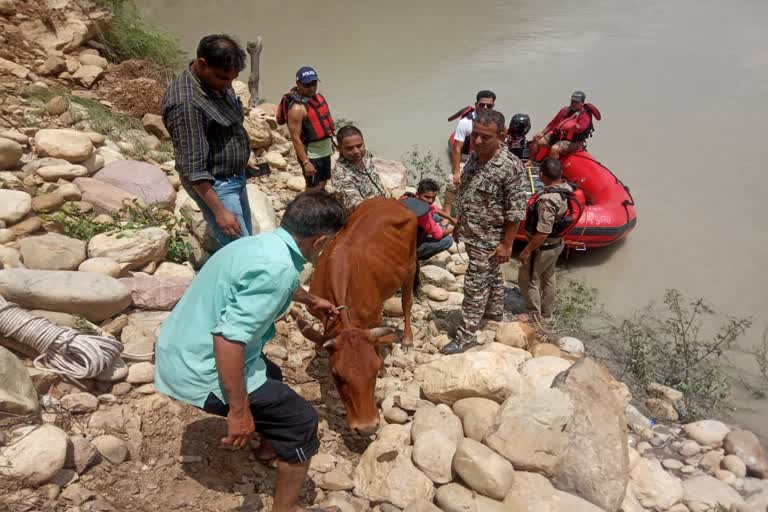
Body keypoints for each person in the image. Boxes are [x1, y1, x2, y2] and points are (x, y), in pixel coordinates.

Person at [155, 192, 346, 512]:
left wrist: (310, 299)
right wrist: (239, 412)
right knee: (301, 422)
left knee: (273, 374)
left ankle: (268, 449)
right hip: (198, 370)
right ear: (321, 241)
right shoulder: (279, 269)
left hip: (178, 350)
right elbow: (228, 340)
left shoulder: (257, 245)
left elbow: (270, 282)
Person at [441, 109, 527, 355]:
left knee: (474, 285)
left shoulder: (510, 167)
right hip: (471, 231)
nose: (477, 142)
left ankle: (467, 335)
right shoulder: (476, 158)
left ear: (501, 135)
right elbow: (467, 193)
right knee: (491, 276)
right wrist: (459, 225)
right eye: (474, 135)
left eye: (484, 137)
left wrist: (507, 245)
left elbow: (515, 212)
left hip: (490, 239)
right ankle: (493, 312)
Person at [162, 34, 254, 249]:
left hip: (235, 175)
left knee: (246, 241)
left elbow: (230, 124)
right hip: (216, 185)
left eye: (233, 78)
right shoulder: (186, 104)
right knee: (241, 251)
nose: (228, 85)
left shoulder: (217, 82)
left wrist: (241, 158)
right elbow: (194, 169)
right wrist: (220, 211)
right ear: (202, 64)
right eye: (223, 78)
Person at [517, 158, 577, 320]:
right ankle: (547, 313)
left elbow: (543, 232)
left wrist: (527, 250)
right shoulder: (566, 188)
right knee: (549, 277)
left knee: (527, 278)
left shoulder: (548, 200)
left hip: (542, 247)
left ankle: (533, 314)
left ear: (542, 175)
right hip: (557, 244)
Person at [279, 66, 336, 190]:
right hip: (311, 154)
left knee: (323, 182)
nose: (312, 88)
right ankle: (309, 207)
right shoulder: (297, 109)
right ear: (298, 84)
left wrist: (330, 142)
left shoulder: (318, 98)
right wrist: (306, 162)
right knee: (313, 188)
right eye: (307, 85)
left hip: (324, 150)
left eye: (314, 84)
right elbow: (295, 138)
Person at [443, 90, 497, 215]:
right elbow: (457, 148)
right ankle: (447, 212)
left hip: (488, 157)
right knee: (452, 182)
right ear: (476, 104)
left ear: (493, 106)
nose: (485, 108)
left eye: (489, 106)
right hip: (468, 157)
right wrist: (456, 172)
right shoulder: (466, 122)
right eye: (482, 105)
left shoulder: (496, 121)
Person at [330, 125, 386, 212]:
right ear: (339, 149)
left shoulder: (365, 155)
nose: (356, 151)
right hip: (367, 216)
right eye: (349, 148)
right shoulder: (342, 175)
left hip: (384, 204)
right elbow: (358, 207)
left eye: (359, 146)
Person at [529, 91, 597, 161]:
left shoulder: (584, 116)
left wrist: (574, 126)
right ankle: (531, 161)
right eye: (572, 101)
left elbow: (581, 128)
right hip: (558, 137)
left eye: (576, 102)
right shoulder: (564, 110)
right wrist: (542, 133)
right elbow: (552, 124)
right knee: (536, 139)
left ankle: (553, 170)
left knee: (555, 149)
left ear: (582, 103)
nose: (573, 104)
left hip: (574, 142)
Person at [403, 179, 455, 260]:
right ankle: (415, 258)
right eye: (427, 197)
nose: (430, 201)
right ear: (417, 195)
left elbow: (434, 208)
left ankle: (430, 229)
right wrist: (454, 229)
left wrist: (451, 218)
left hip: (400, 238)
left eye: (433, 198)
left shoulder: (406, 198)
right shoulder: (424, 215)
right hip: (407, 249)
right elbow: (439, 235)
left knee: (436, 217)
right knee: (448, 240)